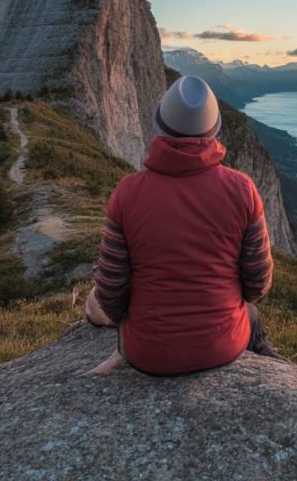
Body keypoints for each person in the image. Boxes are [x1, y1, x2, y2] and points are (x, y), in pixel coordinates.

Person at [84, 75, 278, 376]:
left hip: (148, 355)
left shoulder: (127, 192)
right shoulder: (242, 189)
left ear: (160, 127)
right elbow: (258, 283)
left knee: (91, 302)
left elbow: (110, 291)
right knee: (250, 314)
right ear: (213, 132)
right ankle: (269, 357)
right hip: (223, 345)